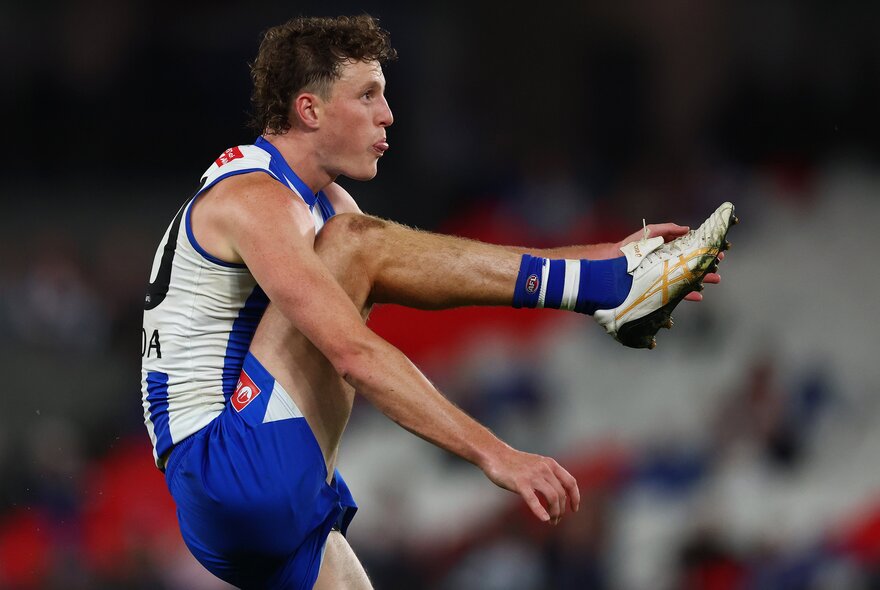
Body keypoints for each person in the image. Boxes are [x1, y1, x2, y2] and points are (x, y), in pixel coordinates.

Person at [141, 15, 734, 590]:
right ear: (310, 108)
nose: (388, 114)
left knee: (362, 242)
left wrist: (602, 254)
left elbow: (441, 274)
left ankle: (602, 284)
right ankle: (606, 292)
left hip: (246, 493)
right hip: (231, 466)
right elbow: (352, 354)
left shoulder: (320, 207)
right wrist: (496, 455)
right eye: (368, 94)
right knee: (356, 245)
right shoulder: (258, 201)